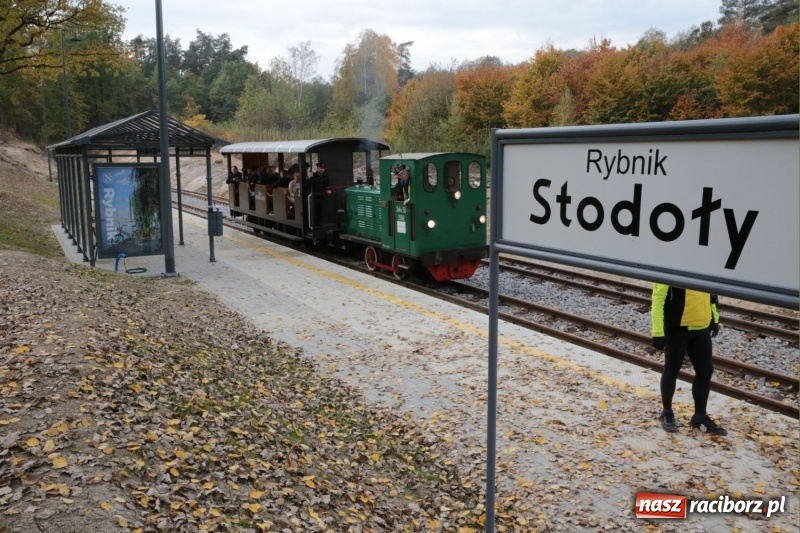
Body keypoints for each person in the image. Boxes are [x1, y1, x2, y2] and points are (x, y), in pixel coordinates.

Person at [651, 284, 726, 436]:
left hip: (701, 328)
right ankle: (667, 412)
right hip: (677, 329)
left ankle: (700, 417)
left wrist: (714, 318)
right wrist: (658, 332)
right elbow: (658, 298)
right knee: (672, 369)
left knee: (705, 371)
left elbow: (711, 294)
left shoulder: (704, 270)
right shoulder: (671, 270)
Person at [310, 162, 330, 226]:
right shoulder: (313, 175)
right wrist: (309, 178)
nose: (322, 169)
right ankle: (312, 224)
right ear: (317, 168)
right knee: (313, 210)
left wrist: (328, 190)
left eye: (323, 168)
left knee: (320, 210)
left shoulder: (326, 177)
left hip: (321, 196)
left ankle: (317, 223)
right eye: (320, 168)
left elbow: (327, 186)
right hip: (314, 196)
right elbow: (307, 185)